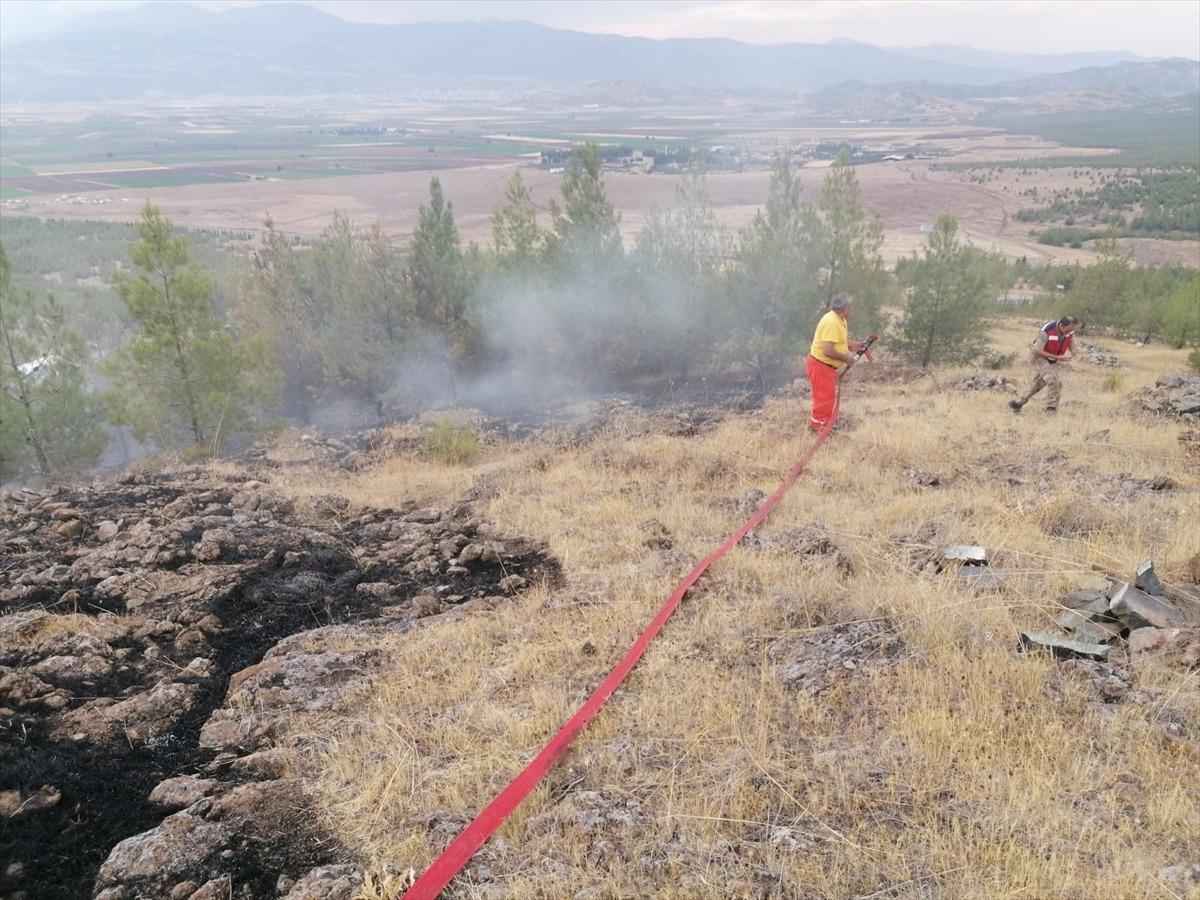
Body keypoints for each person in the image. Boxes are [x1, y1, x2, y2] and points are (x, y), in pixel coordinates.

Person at [806, 293, 865, 431]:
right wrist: (846, 358)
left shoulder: (840, 320)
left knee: (828, 397)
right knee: (824, 398)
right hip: (820, 365)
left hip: (825, 367)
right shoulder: (831, 322)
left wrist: (852, 345)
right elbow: (827, 350)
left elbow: (837, 341)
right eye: (851, 307)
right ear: (844, 308)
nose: (852, 310)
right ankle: (817, 430)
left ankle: (823, 427)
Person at [1009, 315, 1079, 414]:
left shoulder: (1069, 331)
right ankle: (1051, 409)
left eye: (1071, 330)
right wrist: (1058, 358)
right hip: (1040, 359)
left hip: (1052, 360)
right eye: (1067, 330)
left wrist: (1074, 352)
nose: (1069, 332)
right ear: (1062, 326)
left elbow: (1070, 341)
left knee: (1037, 385)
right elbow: (1036, 351)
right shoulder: (1047, 330)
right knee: (1054, 381)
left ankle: (1017, 403)